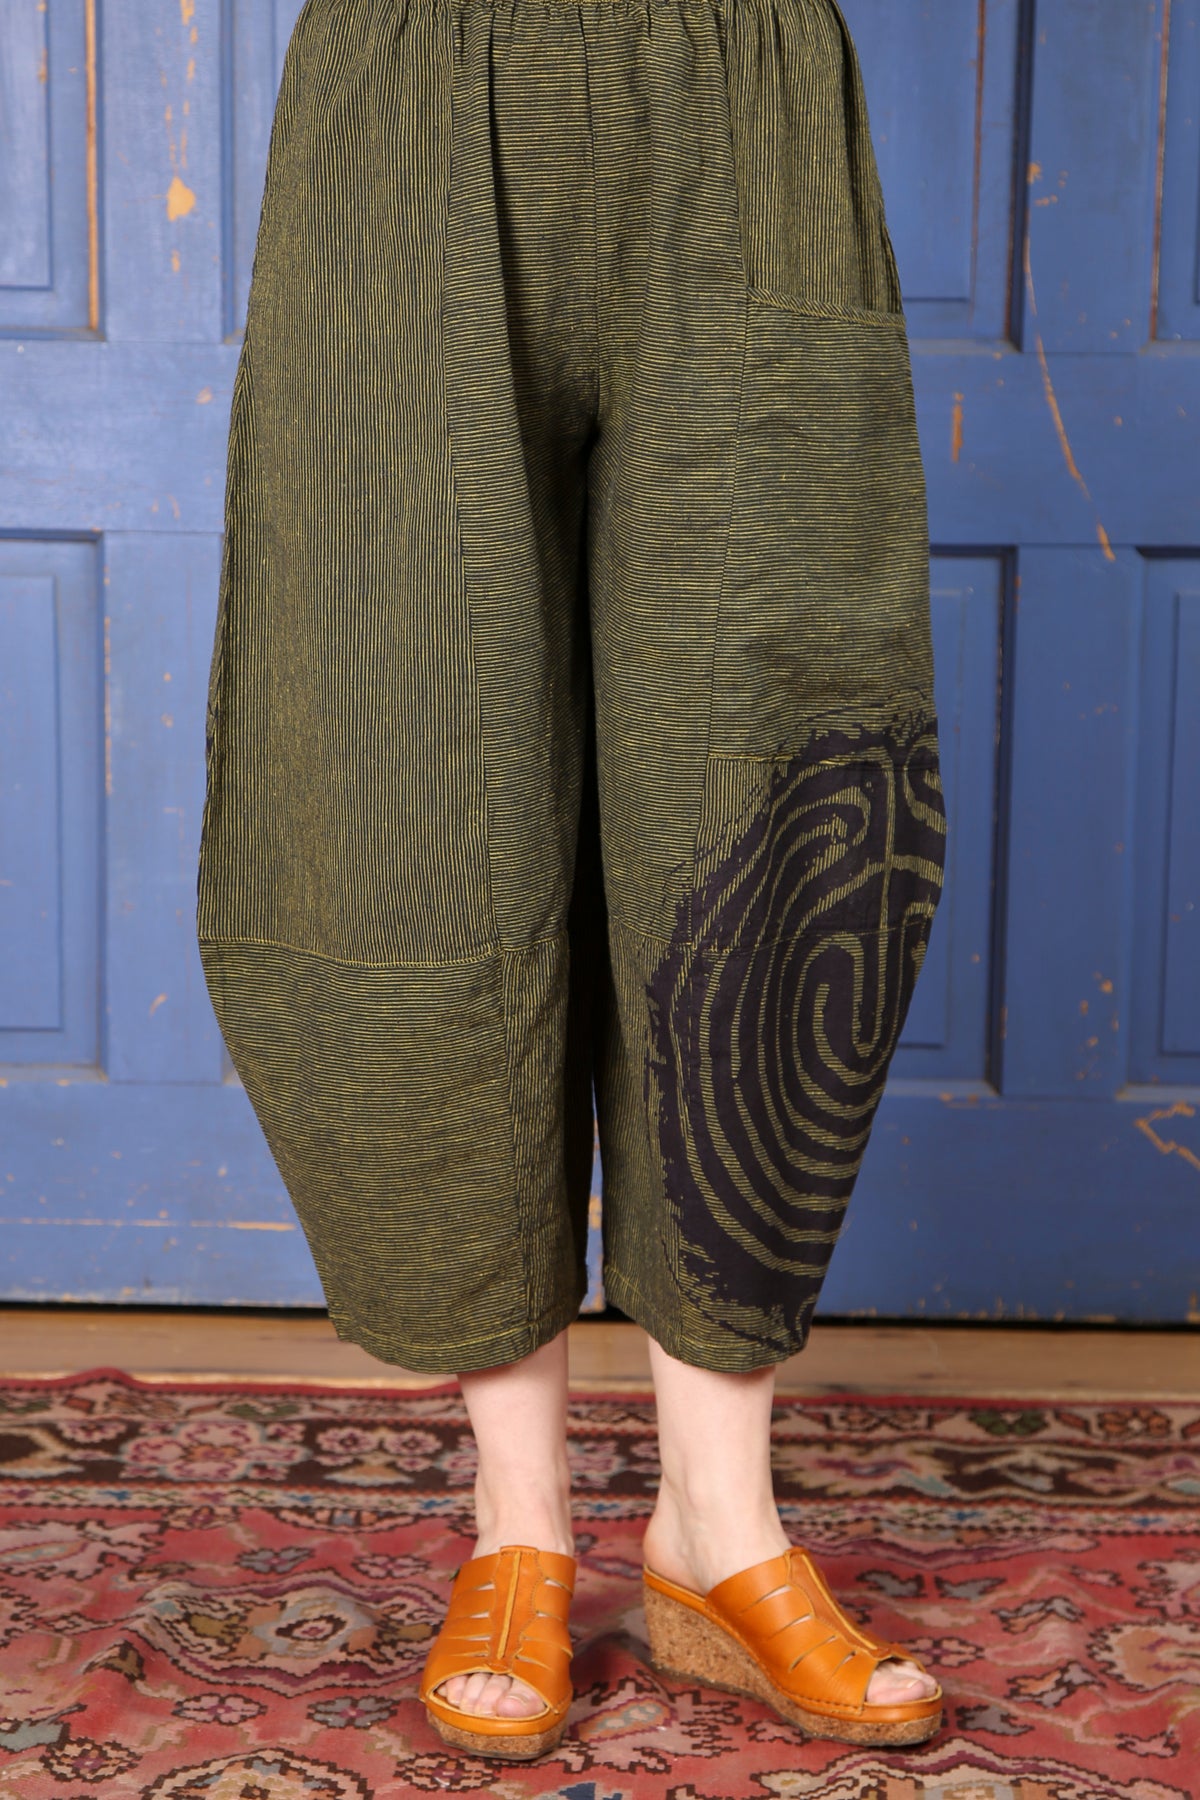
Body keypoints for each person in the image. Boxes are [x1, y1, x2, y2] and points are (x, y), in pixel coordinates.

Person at [196, 0, 948, 1761]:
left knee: (769, 791)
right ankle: (516, 1522)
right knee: (409, 787)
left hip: (742, 87)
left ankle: (719, 1528)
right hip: (409, 89)